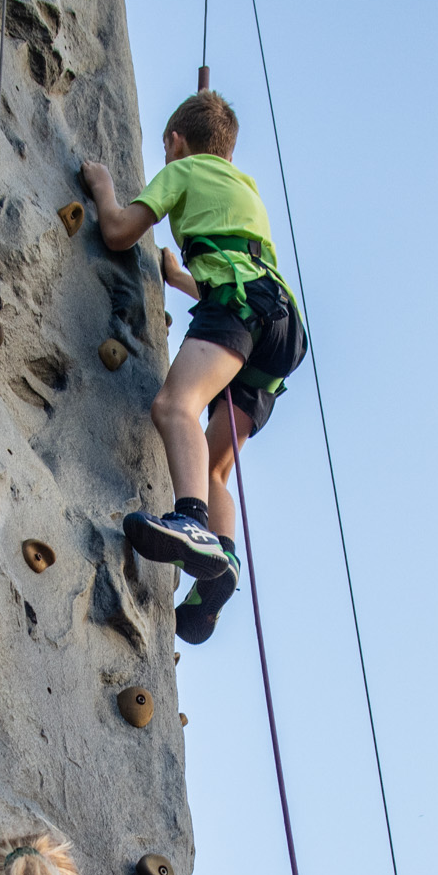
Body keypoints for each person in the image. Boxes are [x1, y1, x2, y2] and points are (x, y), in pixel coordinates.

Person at [81, 89, 309, 645]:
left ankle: (190, 521)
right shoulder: (242, 188)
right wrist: (178, 277)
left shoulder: (182, 171)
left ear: (175, 142)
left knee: (173, 406)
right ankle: (218, 574)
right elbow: (231, 264)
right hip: (280, 329)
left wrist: (103, 187)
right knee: (213, 467)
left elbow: (117, 231)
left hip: (238, 303)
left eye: (167, 149)